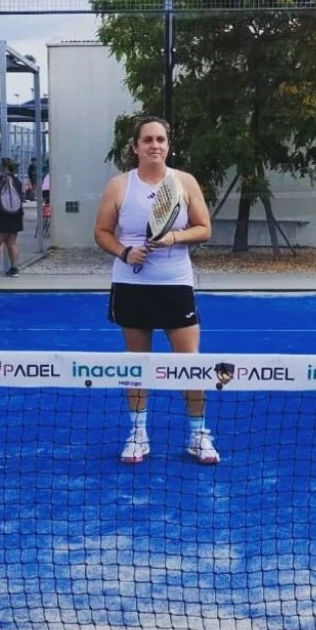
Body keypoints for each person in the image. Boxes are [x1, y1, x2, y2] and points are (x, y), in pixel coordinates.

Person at [93, 116, 217, 465]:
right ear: (135, 147)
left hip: (175, 283)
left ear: (168, 145)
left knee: (190, 364)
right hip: (131, 285)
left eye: (161, 139)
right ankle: (138, 434)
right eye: (147, 139)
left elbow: (204, 228)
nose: (155, 145)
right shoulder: (119, 186)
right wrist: (125, 252)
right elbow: (101, 232)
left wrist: (173, 237)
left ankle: (198, 435)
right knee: (137, 364)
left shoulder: (185, 182)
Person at [0, 157, 24, 277]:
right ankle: (14, 268)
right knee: (12, 243)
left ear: (3, 167)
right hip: (14, 216)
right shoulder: (17, 181)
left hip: (0, 216)